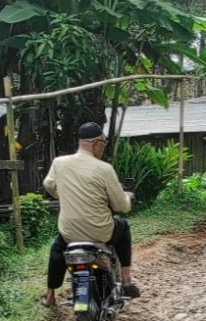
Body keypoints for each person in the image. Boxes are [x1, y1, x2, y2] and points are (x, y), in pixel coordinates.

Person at [40, 121, 139, 307]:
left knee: (57, 249)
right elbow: (120, 205)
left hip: (70, 233)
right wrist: (127, 198)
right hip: (100, 232)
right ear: (95, 143)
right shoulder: (104, 169)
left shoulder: (59, 163)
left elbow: (48, 184)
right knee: (123, 226)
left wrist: (63, 194)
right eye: (103, 142)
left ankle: (50, 295)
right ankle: (126, 278)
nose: (103, 146)